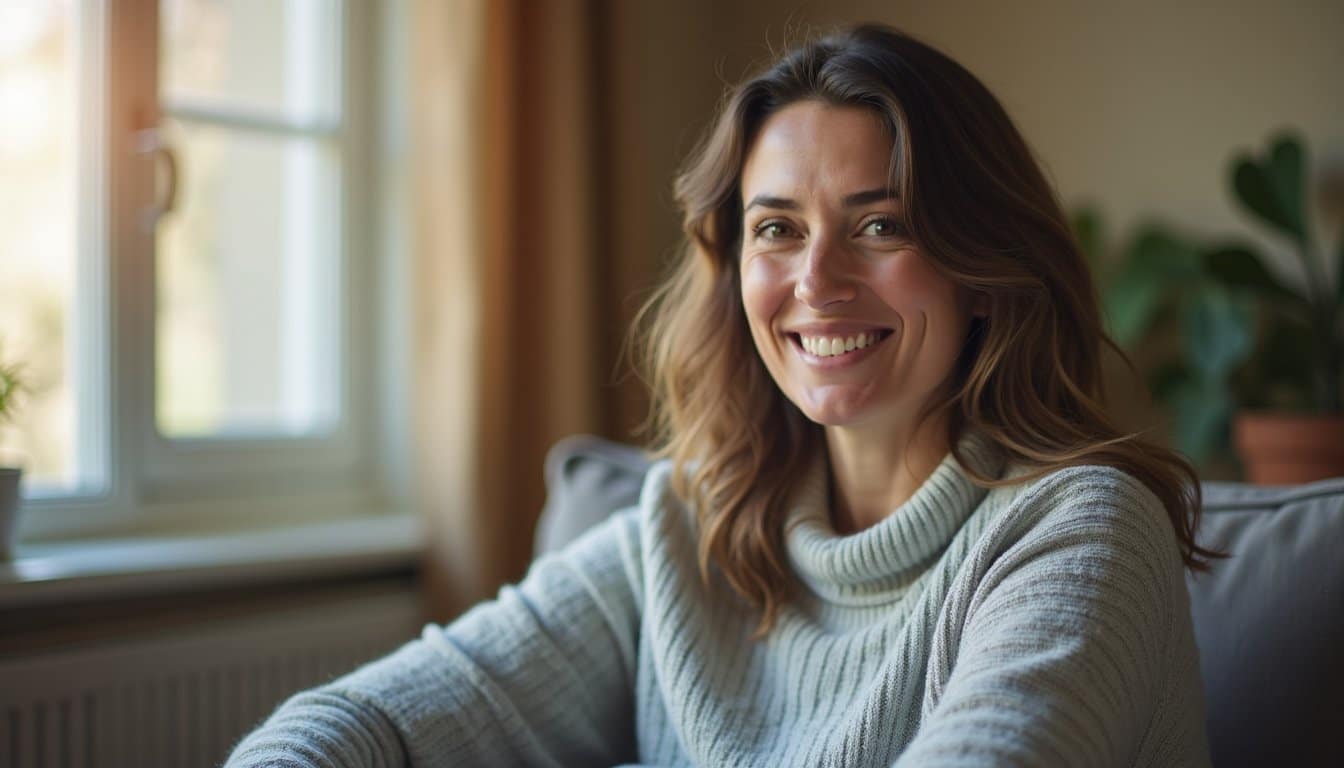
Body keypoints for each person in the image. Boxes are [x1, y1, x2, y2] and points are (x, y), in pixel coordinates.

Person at [226, 23, 1221, 767]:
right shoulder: (687, 527)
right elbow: (371, 720)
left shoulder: (1084, 533)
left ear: (985, 272)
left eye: (880, 225)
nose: (817, 282)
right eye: (777, 229)